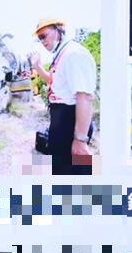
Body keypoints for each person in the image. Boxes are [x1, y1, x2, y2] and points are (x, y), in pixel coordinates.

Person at [28, 18, 98, 174]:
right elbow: (53, 81)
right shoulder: (62, 54)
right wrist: (38, 66)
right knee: (62, 170)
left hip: (70, 123)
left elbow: (85, 97)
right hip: (62, 122)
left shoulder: (73, 54)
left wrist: (80, 140)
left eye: (44, 36)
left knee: (74, 174)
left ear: (58, 29)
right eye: (39, 38)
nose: (42, 41)